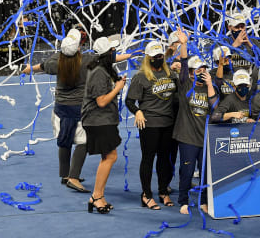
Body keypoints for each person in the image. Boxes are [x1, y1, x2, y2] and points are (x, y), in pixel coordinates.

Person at [21, 29, 96, 192]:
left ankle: (65, 174)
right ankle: (74, 177)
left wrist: (29, 69)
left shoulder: (56, 62)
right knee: (84, 142)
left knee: (65, 140)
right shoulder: (87, 60)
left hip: (61, 109)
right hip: (79, 109)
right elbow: (108, 58)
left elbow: (41, 66)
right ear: (78, 48)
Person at [125, 40, 178, 209]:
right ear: (148, 57)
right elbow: (129, 101)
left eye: (161, 56)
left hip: (168, 122)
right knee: (148, 159)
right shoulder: (140, 77)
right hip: (149, 124)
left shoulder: (170, 73)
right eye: (155, 56)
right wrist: (138, 111)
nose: (158, 58)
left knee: (164, 159)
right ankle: (146, 195)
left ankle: (163, 191)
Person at [172, 30, 218, 215]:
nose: (201, 72)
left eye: (204, 69)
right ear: (190, 73)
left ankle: (204, 201)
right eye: (197, 70)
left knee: (206, 173)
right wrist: (183, 44)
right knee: (187, 171)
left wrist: (209, 84)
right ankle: (183, 200)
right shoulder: (185, 86)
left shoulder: (210, 89)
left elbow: (215, 107)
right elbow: (183, 65)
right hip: (187, 137)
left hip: (204, 137)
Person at [81, 36, 127, 214]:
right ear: (108, 53)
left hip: (102, 119)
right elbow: (101, 101)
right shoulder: (99, 72)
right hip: (98, 120)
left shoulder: (102, 68)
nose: (115, 52)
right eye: (113, 50)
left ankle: (98, 195)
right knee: (110, 157)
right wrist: (118, 88)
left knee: (108, 157)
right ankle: (96, 196)